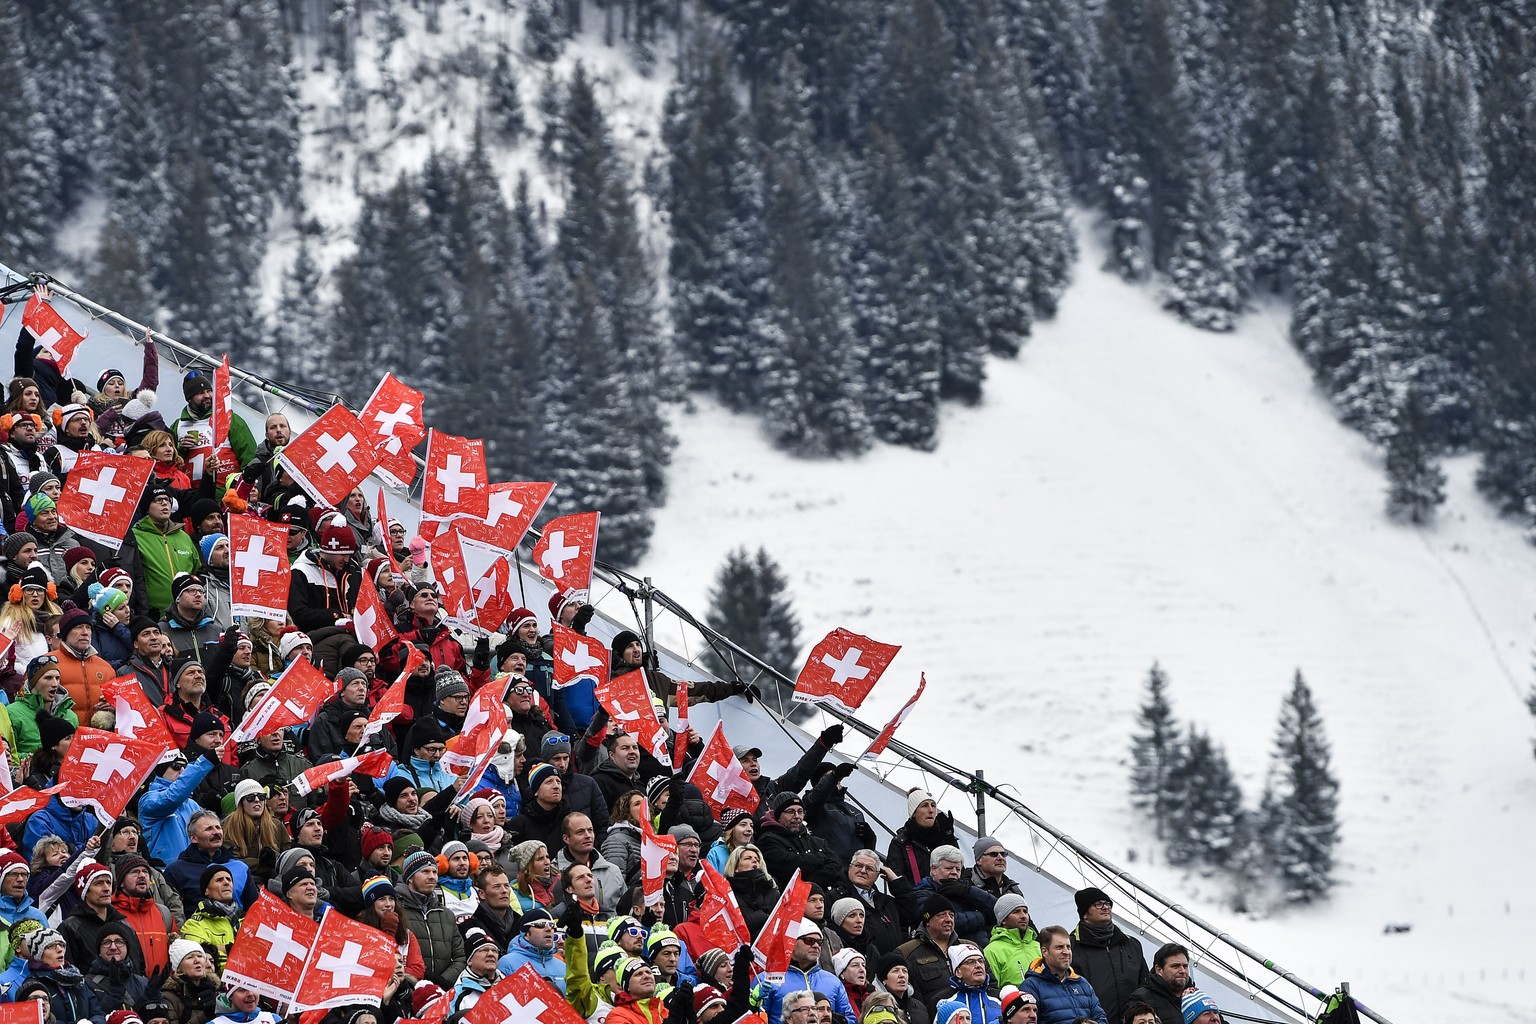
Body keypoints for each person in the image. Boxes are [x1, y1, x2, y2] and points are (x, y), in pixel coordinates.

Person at [120, 484, 202, 618]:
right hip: (153, 616)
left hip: (187, 613)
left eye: (167, 499)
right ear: (147, 507)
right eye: (158, 500)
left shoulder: (183, 537)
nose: (164, 503)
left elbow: (196, 572)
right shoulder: (135, 536)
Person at [1068, 889, 1146, 1024]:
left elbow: (1145, 985)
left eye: (1108, 903)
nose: (1105, 907)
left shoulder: (1131, 944)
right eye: (1098, 904)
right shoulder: (1071, 947)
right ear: (1085, 914)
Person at [396, 850, 466, 989]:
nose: (432, 877)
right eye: (425, 872)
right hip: (406, 988)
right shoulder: (396, 910)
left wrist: (442, 981)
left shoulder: (446, 914)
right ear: (410, 877)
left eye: (434, 872)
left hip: (443, 989)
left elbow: (460, 957)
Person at [827, 849, 917, 957]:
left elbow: (911, 912)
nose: (863, 871)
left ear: (878, 875)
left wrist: (896, 881)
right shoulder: (833, 897)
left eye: (869, 868)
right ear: (850, 867)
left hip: (892, 968)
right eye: (859, 866)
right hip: (860, 966)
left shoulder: (887, 901)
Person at [164, 810, 258, 911]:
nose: (216, 832)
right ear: (194, 838)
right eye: (209, 829)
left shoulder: (240, 867)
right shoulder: (176, 870)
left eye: (218, 827)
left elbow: (254, 909)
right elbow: (173, 910)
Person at [60, 863, 146, 975]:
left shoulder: (125, 925)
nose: (106, 888)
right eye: (98, 883)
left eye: (108, 882)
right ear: (85, 891)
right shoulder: (70, 928)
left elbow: (138, 967)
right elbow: (68, 973)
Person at [764, 921, 855, 1024]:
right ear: (791, 942)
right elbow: (755, 1018)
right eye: (809, 941)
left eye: (819, 942)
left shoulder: (833, 981)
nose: (816, 946)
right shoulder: (767, 979)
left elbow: (850, 1019)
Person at [756, 791, 843, 891]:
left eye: (800, 811)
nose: (797, 816)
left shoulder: (817, 842)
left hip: (820, 900)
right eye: (790, 811)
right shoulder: (767, 840)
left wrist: (808, 884)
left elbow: (836, 866)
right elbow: (789, 867)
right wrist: (820, 857)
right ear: (778, 816)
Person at [288, 515, 361, 631]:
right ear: (329, 550)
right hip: (316, 638)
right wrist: (335, 617)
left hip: (350, 635)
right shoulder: (301, 571)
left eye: (349, 554)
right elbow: (298, 614)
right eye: (343, 554)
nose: (347, 559)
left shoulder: (352, 570)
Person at [1020, 927, 1106, 1024]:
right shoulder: (1031, 986)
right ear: (1045, 952)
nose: (1066, 952)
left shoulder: (1082, 983)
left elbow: (1101, 1018)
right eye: (1059, 947)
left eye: (1068, 947)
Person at [915, 848, 995, 948]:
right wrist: (982, 917)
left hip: (981, 953)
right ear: (933, 869)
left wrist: (967, 892)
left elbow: (999, 910)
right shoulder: (923, 893)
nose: (954, 872)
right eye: (949, 868)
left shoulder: (966, 889)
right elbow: (944, 923)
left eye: (958, 869)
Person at [110, 856, 174, 975]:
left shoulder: (163, 913)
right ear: (121, 882)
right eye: (135, 872)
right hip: (128, 989)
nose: (142, 876)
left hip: (161, 989)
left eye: (145, 871)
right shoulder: (110, 914)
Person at [897, 896, 961, 1013]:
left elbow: (991, 984)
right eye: (941, 915)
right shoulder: (906, 952)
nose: (948, 919)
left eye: (951, 915)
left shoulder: (969, 947)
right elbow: (910, 997)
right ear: (927, 921)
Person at [555, 811, 627, 914]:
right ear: (566, 838)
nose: (588, 835)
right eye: (580, 832)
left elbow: (625, 910)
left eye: (590, 830)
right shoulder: (555, 872)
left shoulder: (613, 871)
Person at [52, 606, 115, 714]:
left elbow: (119, 703)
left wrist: (113, 706)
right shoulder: (48, 662)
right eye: (78, 627)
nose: (85, 632)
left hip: (99, 730)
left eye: (88, 627)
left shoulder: (106, 667)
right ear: (65, 633)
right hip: (65, 730)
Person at [888, 791, 958, 888]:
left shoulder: (944, 838)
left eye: (933, 805)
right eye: (925, 805)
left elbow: (959, 872)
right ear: (913, 813)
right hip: (916, 900)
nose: (931, 810)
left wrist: (950, 838)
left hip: (947, 897)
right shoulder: (901, 843)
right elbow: (896, 881)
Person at [179, 866, 239, 972]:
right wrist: (237, 951)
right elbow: (204, 962)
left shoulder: (245, 919)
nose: (226, 883)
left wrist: (224, 949)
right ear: (207, 891)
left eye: (229, 879)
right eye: (219, 880)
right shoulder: (194, 925)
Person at [496, 906, 567, 994]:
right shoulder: (507, 963)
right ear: (526, 934)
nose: (549, 929)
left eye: (552, 925)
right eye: (540, 925)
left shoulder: (562, 965)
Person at [460, 864, 520, 953]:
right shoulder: (466, 928)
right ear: (481, 894)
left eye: (506, 886)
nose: (504, 891)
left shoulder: (521, 924)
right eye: (497, 887)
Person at [984, 895, 1040, 990]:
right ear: (1004, 920)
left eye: (1025, 911)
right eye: (1016, 912)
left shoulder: (1038, 946)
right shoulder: (991, 951)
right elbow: (992, 988)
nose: (1023, 916)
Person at [1127, 944, 1191, 1024]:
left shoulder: (1197, 997)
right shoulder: (1141, 999)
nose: (1182, 971)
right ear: (1159, 969)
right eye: (1175, 966)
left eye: (1185, 966)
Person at [723, 845, 777, 935]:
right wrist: (762, 917)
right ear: (736, 867)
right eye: (748, 858)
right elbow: (731, 928)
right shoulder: (728, 894)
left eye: (757, 859)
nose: (754, 860)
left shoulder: (772, 891)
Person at [161, 941, 219, 1024]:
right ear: (178, 968)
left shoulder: (216, 990)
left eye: (200, 956)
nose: (197, 960)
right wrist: (205, 1015)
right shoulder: (168, 997)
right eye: (189, 957)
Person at [941, 943, 1000, 1024]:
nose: (978, 965)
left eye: (981, 961)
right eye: (971, 962)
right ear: (958, 972)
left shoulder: (999, 998)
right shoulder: (944, 1001)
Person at [452, 927, 504, 1013]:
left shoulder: (509, 985)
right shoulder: (457, 995)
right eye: (484, 950)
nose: (491, 954)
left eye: (494, 950)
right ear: (470, 960)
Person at [873, 954, 930, 1024]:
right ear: (884, 980)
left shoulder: (919, 1006)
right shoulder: (877, 1007)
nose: (902, 975)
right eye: (895, 971)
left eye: (905, 971)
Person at [704, 808, 753, 873]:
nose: (749, 829)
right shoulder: (716, 853)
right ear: (730, 830)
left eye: (751, 826)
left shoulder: (753, 853)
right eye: (743, 825)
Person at [833, 949, 871, 1018]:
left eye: (863, 965)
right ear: (842, 973)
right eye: (855, 965)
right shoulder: (838, 998)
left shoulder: (873, 994)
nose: (862, 970)